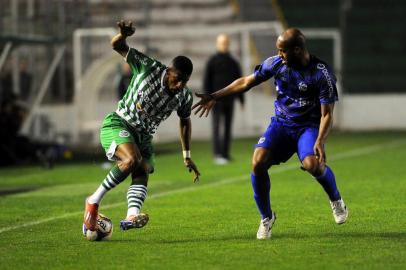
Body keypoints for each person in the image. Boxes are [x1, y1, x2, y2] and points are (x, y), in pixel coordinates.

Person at [193, 28, 348, 240]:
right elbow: (246, 81)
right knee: (257, 162)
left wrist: (320, 141)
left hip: (308, 128)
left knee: (313, 164)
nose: (279, 54)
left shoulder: (322, 74)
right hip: (282, 125)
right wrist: (215, 95)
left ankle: (336, 200)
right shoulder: (276, 63)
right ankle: (266, 218)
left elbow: (327, 114)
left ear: (297, 49)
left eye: (283, 50)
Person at [83, 20, 201, 232]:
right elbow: (117, 46)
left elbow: (185, 121)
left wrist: (186, 154)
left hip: (144, 138)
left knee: (142, 170)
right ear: (169, 71)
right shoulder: (148, 67)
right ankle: (93, 200)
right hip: (119, 123)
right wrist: (123, 35)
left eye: (185, 81)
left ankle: (131, 215)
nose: (180, 85)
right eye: (178, 79)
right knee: (132, 160)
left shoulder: (184, 96)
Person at [203, 34, 244, 165]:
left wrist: (241, 99)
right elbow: (206, 81)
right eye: (222, 43)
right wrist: (207, 98)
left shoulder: (233, 62)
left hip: (229, 99)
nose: (224, 45)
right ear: (217, 44)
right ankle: (217, 154)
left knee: (227, 127)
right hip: (215, 100)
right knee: (216, 126)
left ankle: (225, 154)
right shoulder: (212, 61)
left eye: (226, 43)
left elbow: (240, 81)